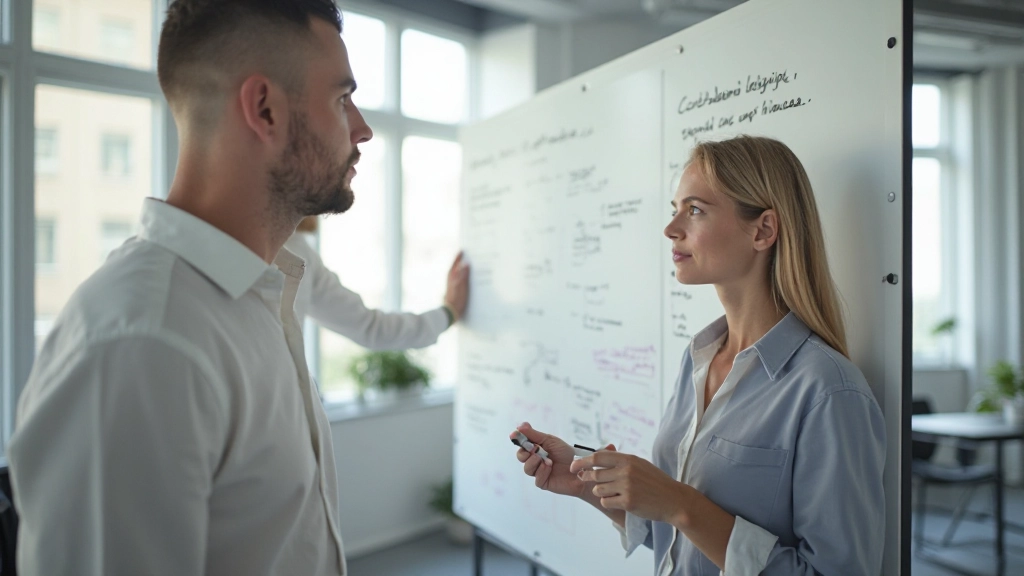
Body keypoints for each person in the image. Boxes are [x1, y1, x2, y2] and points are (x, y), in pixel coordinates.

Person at [7, 1, 416, 574]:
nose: (362, 127)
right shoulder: (143, 342)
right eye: (341, 98)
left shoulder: (259, 297)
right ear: (265, 109)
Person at [511, 136, 886, 575]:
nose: (671, 228)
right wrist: (583, 482)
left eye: (695, 210)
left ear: (763, 230)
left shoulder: (828, 391)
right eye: (676, 208)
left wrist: (680, 504)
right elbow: (678, 538)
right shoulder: (700, 359)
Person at [286, 216, 467, 350]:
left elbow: (371, 328)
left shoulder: (300, 252)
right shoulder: (291, 251)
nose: (353, 165)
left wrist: (449, 312)